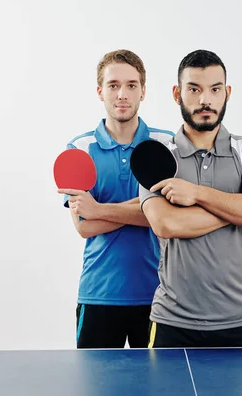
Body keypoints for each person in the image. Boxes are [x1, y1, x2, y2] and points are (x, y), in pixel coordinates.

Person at [139, 49, 242, 348]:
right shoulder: (156, 154)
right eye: (194, 89)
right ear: (177, 93)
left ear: (226, 93)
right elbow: (167, 224)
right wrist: (240, 207)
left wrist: (197, 194)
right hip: (171, 323)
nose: (205, 99)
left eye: (215, 89)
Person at [57, 49, 174, 349]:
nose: (122, 94)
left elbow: (165, 219)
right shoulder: (79, 149)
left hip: (158, 296)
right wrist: (142, 209)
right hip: (98, 295)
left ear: (143, 91)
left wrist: (98, 209)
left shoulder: (166, 145)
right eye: (113, 85)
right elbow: (84, 226)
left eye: (131, 85)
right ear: (100, 91)